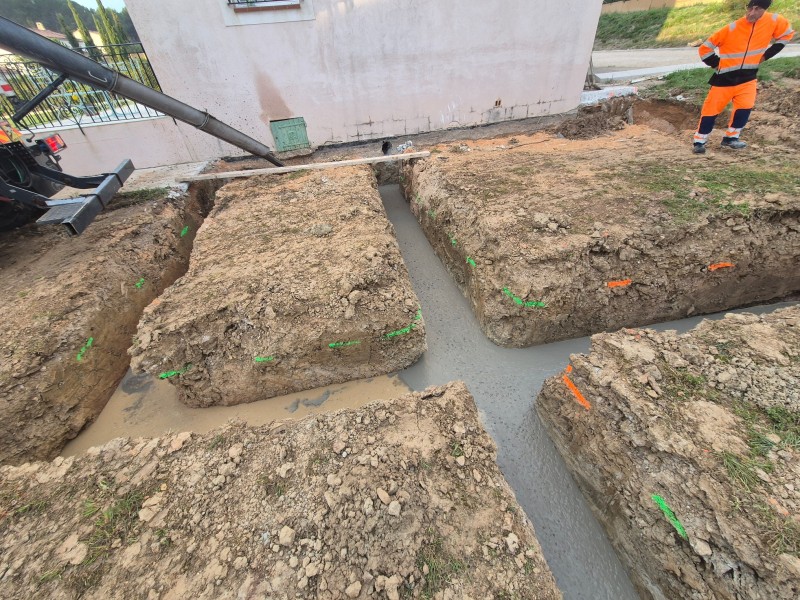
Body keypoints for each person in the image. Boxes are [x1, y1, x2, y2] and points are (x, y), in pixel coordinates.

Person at [692, 0, 794, 154]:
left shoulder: (774, 21)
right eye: (749, 8)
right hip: (723, 80)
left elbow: (787, 35)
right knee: (711, 111)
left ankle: (731, 138)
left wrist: (766, 56)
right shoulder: (732, 28)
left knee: (744, 108)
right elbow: (705, 48)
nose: (751, 13)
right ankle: (699, 141)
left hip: (748, 78)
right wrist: (717, 64)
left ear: (765, 9)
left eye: (757, 9)